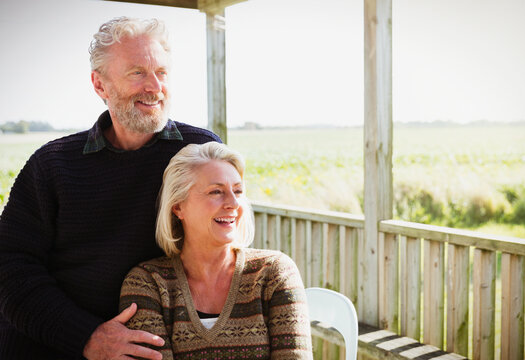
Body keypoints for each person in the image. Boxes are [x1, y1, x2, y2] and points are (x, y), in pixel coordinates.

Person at [0, 17, 221, 359]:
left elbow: (225, 246)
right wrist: (87, 337)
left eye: (161, 72)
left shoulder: (198, 152)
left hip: (158, 346)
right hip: (52, 344)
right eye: (137, 73)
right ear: (100, 85)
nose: (154, 86)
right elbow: (10, 268)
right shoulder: (52, 165)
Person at [119, 142, 313, 359]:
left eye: (238, 191)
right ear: (178, 206)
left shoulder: (273, 273)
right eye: (216, 192)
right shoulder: (148, 283)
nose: (233, 203)